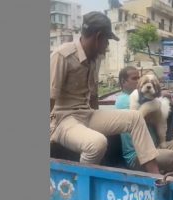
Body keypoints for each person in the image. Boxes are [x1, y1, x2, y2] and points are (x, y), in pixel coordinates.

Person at [49, 11, 161, 174]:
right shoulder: (63, 56)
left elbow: (93, 96)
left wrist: (102, 122)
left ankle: (155, 177)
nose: (107, 46)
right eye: (106, 41)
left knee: (135, 117)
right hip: (64, 119)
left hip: (87, 114)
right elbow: (50, 98)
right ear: (98, 37)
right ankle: (81, 187)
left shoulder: (95, 59)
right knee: (97, 143)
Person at [115, 66, 173, 173]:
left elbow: (157, 108)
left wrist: (168, 97)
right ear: (123, 82)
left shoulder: (144, 97)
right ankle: (172, 169)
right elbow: (144, 115)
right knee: (170, 156)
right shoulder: (124, 100)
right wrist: (159, 99)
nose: (138, 81)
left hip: (155, 147)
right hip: (138, 155)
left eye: (139, 78)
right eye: (134, 78)